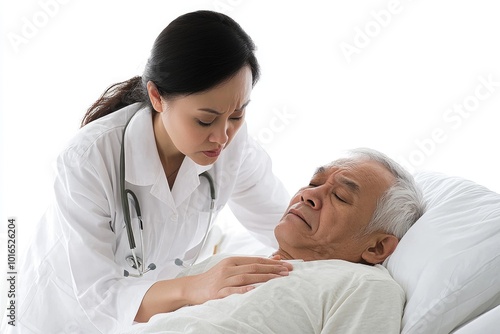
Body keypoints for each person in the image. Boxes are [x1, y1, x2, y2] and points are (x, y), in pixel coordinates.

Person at [10, 10, 292, 334]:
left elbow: (282, 227)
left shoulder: (235, 148)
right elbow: (101, 299)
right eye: (205, 120)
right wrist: (197, 287)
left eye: (237, 115)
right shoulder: (87, 161)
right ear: (157, 97)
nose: (223, 136)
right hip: (57, 319)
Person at [125, 148, 426, 333]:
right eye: (314, 183)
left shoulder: (363, 285)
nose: (309, 195)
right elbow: (124, 312)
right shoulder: (223, 266)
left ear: (376, 247)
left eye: (340, 196)